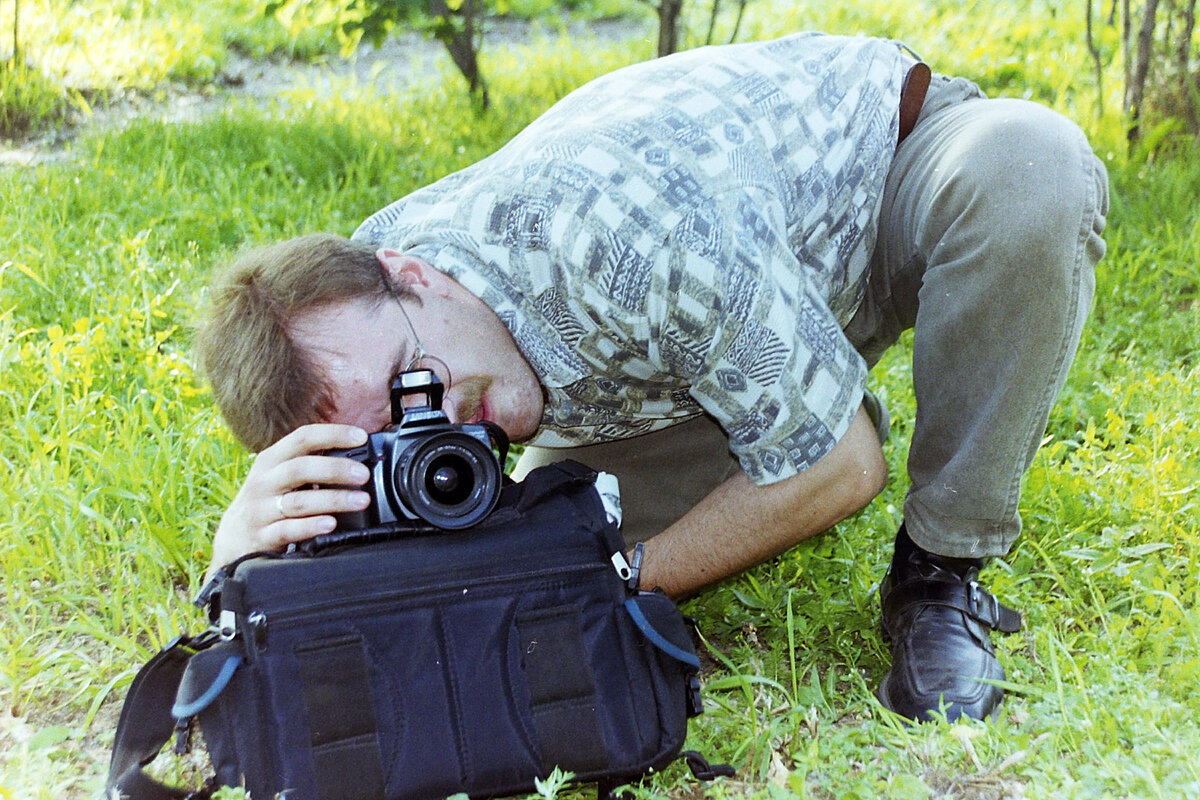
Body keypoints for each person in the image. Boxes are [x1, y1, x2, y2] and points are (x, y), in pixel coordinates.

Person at [195, 31, 1109, 723]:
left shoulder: (624, 241)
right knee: (517, 587)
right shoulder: (375, 317)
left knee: (1031, 169)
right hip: (669, 375)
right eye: (392, 435)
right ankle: (766, 408)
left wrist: (622, 586)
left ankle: (941, 573)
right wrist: (241, 553)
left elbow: (843, 468)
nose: (433, 423)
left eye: (414, 382)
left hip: (868, 195)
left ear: (414, 272)